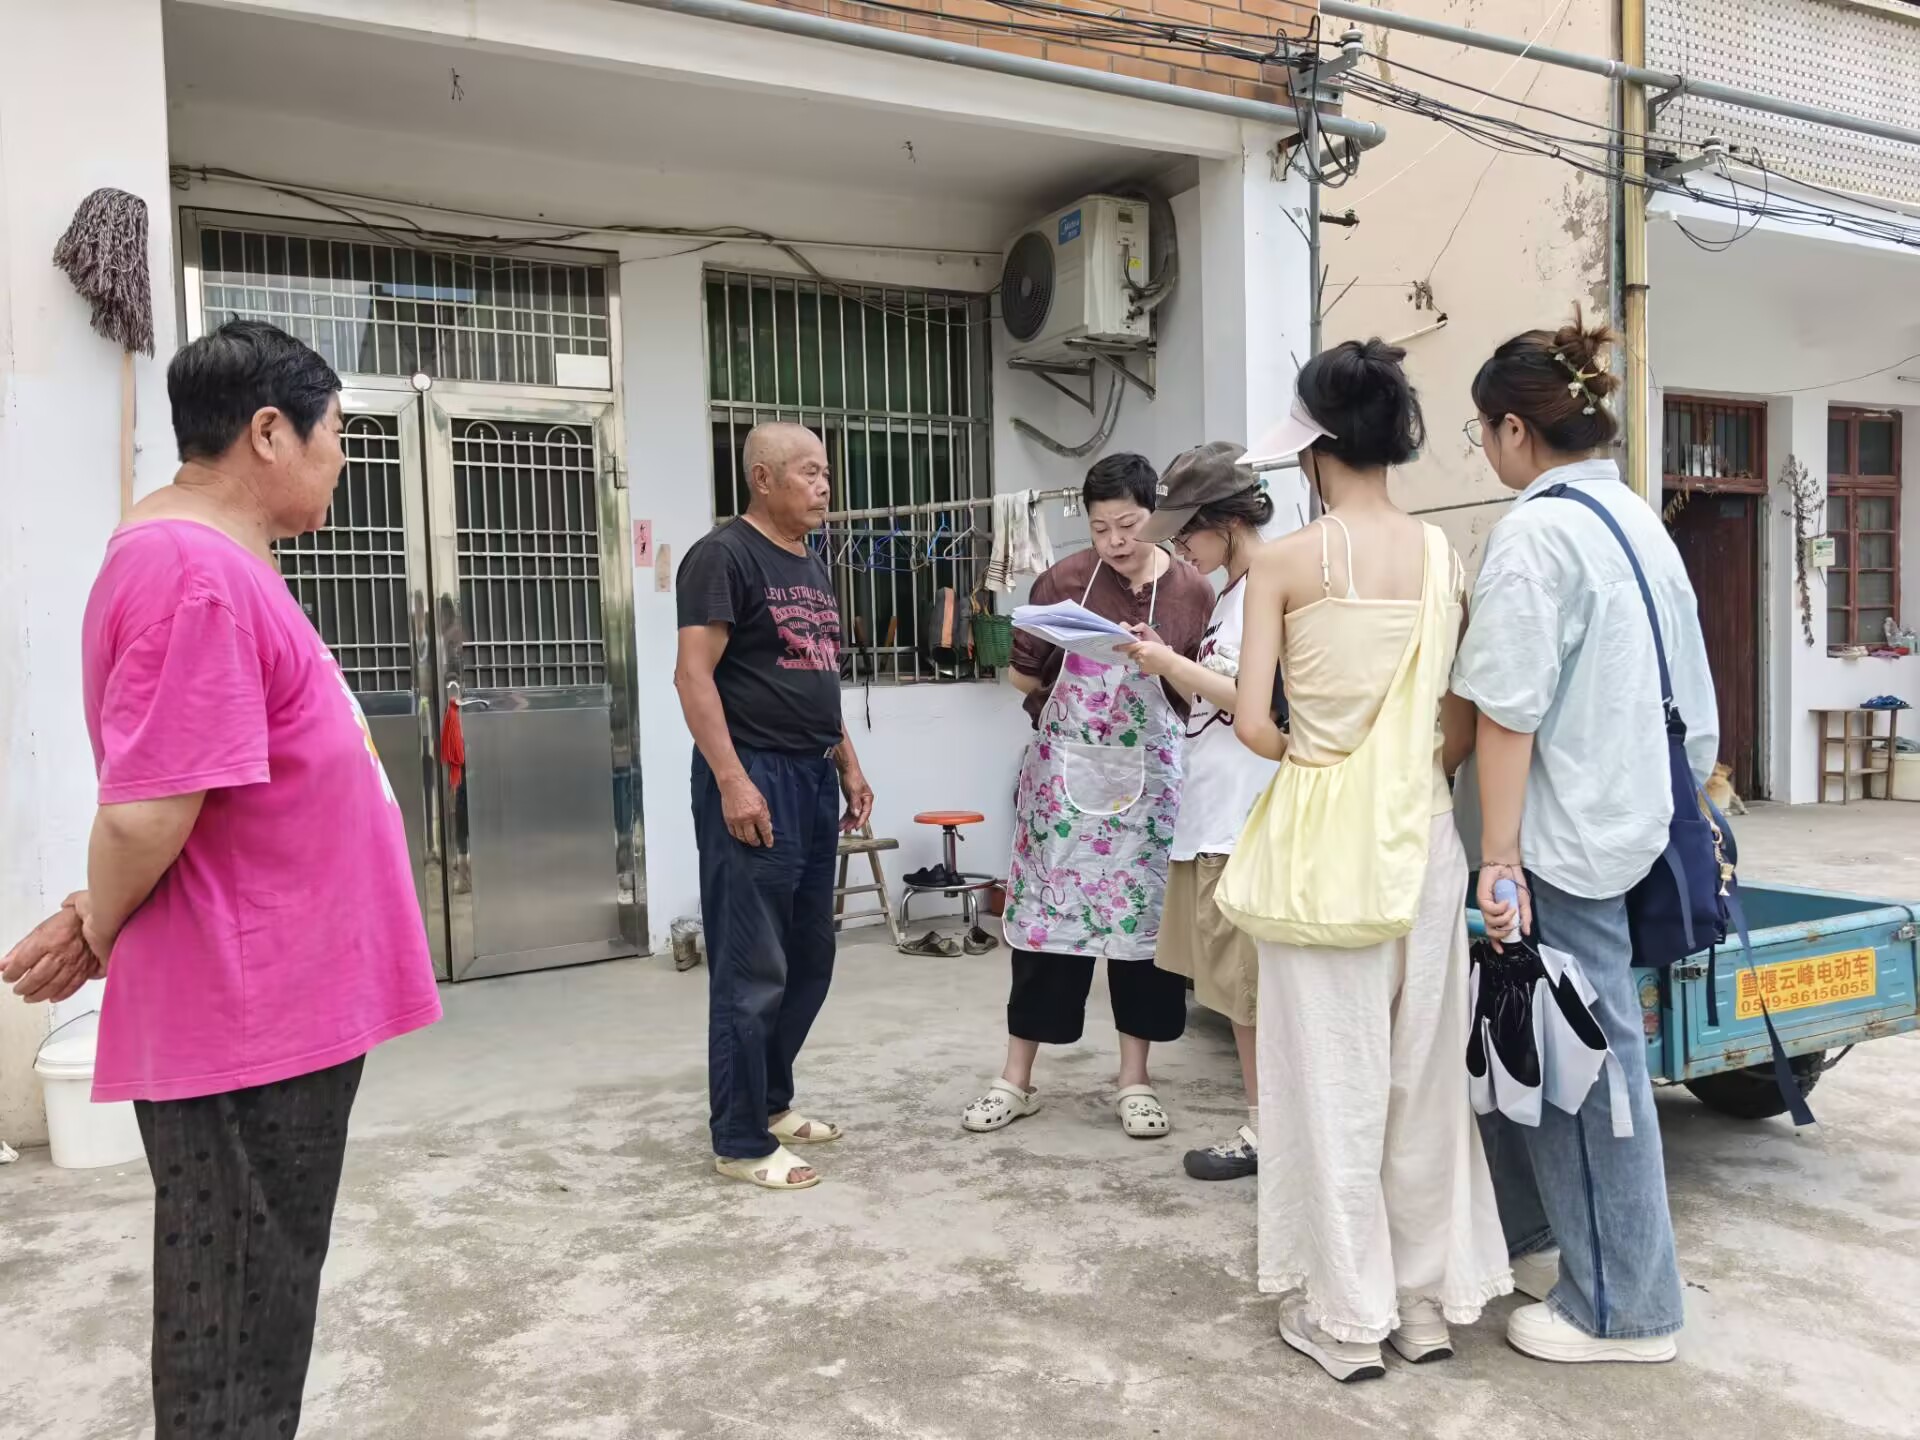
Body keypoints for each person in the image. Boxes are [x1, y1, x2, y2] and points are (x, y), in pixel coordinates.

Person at [0, 319, 443, 1437]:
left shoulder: (212, 562)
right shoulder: (189, 570)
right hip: (249, 1015)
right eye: (336, 434)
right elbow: (148, 810)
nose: (342, 458)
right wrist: (99, 923)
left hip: (277, 1004)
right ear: (269, 433)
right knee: (238, 1317)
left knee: (263, 1295)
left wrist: (95, 913)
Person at [1225, 340, 1507, 1382]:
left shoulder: (1283, 564)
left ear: (1312, 447)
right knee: (1420, 1080)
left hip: (1320, 850)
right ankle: (1424, 1306)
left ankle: (1345, 1318)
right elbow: (1459, 728)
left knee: (1328, 1078)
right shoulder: (1445, 560)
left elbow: (1255, 725)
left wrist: (1318, 756)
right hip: (1423, 841)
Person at [1452, 312, 1715, 1364]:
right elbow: (1693, 698)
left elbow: (1505, 714)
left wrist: (1498, 857)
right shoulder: (1636, 519)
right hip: (1632, 818)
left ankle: (1622, 1309)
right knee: (1540, 1051)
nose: (1485, 447)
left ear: (1514, 430)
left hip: (1560, 840)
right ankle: (1547, 1245)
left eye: (1483, 430)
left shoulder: (1534, 536)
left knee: (1583, 1070)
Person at [961, 453, 1214, 1140]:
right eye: (1100, 529)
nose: (1114, 542)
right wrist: (1076, 697)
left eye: (1128, 525)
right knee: (1048, 934)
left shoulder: (1192, 591)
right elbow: (1022, 676)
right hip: (1066, 792)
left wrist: (1160, 661)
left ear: (1156, 515)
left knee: (1143, 943)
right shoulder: (1064, 581)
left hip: (1150, 797)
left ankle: (1135, 1081)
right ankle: (1016, 1079)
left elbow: (1202, 694)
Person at [674, 422, 875, 1191]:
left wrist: (848, 762)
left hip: (813, 776)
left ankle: (770, 1100)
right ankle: (739, 1139)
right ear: (763, 478)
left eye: (826, 472)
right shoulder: (722, 557)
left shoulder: (809, 561)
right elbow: (694, 677)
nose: (824, 485)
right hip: (755, 774)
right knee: (751, 965)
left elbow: (815, 673)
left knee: (808, 957)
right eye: (808, 472)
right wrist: (732, 779)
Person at [1121, 443, 1281, 1180]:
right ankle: (1265, 1123)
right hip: (1212, 810)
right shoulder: (1230, 595)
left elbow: (1260, 701)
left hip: (1242, 815)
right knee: (1230, 987)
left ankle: (1267, 1130)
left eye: (1188, 530)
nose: (1181, 546)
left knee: (1246, 989)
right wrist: (1168, 659)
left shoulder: (1267, 588)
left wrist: (1173, 665)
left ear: (1228, 520)